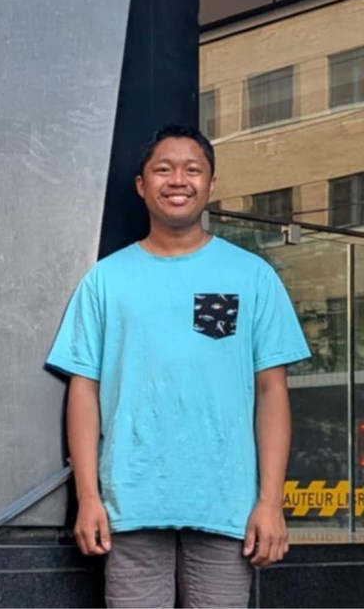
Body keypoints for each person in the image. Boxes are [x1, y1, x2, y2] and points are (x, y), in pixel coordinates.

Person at [46, 124, 310, 608]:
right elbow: (83, 390)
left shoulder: (251, 275)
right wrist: (88, 498)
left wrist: (270, 502)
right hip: (132, 503)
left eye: (193, 169)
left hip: (226, 507)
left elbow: (272, 392)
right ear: (142, 186)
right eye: (162, 169)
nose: (178, 180)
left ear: (211, 184)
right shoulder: (106, 281)